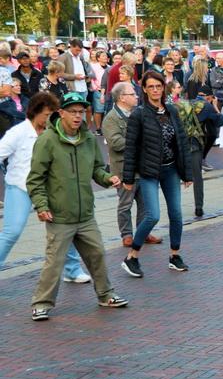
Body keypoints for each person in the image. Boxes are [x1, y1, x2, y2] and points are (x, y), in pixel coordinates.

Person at [27, 92, 129, 320]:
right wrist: (41, 206)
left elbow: (96, 169)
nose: (77, 116)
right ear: (61, 113)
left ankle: (106, 295)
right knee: (54, 262)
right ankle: (41, 303)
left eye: (81, 112)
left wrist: (107, 178)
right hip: (59, 215)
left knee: (97, 254)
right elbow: (35, 179)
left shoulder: (88, 139)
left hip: (85, 215)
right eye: (72, 111)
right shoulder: (47, 140)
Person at [0, 91, 92, 284]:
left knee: (65, 226)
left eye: (53, 114)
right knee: (12, 231)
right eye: (47, 115)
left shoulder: (55, 132)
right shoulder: (18, 133)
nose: (51, 118)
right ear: (35, 112)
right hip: (20, 187)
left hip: (50, 188)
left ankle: (72, 270)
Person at [120, 71, 193, 278]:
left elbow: (181, 142)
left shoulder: (171, 111)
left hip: (171, 169)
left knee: (176, 214)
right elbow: (131, 148)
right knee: (152, 215)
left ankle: (174, 255)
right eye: (151, 87)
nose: (155, 90)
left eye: (158, 86)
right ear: (144, 89)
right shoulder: (139, 114)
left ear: (163, 88)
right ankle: (132, 256)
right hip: (149, 171)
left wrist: (187, 173)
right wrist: (127, 178)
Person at [101, 82, 151, 246]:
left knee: (145, 204)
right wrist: (138, 141)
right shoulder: (111, 118)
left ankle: (143, 233)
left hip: (141, 167)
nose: (136, 96)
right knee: (125, 205)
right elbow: (115, 143)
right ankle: (127, 235)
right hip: (123, 169)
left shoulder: (137, 113)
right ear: (122, 98)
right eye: (132, 94)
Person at [176, 84, 223, 218]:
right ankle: (198, 207)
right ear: (209, 97)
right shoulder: (207, 106)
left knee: (174, 178)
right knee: (197, 177)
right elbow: (220, 122)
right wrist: (215, 106)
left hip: (179, 143)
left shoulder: (186, 103)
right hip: (194, 144)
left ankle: (174, 208)